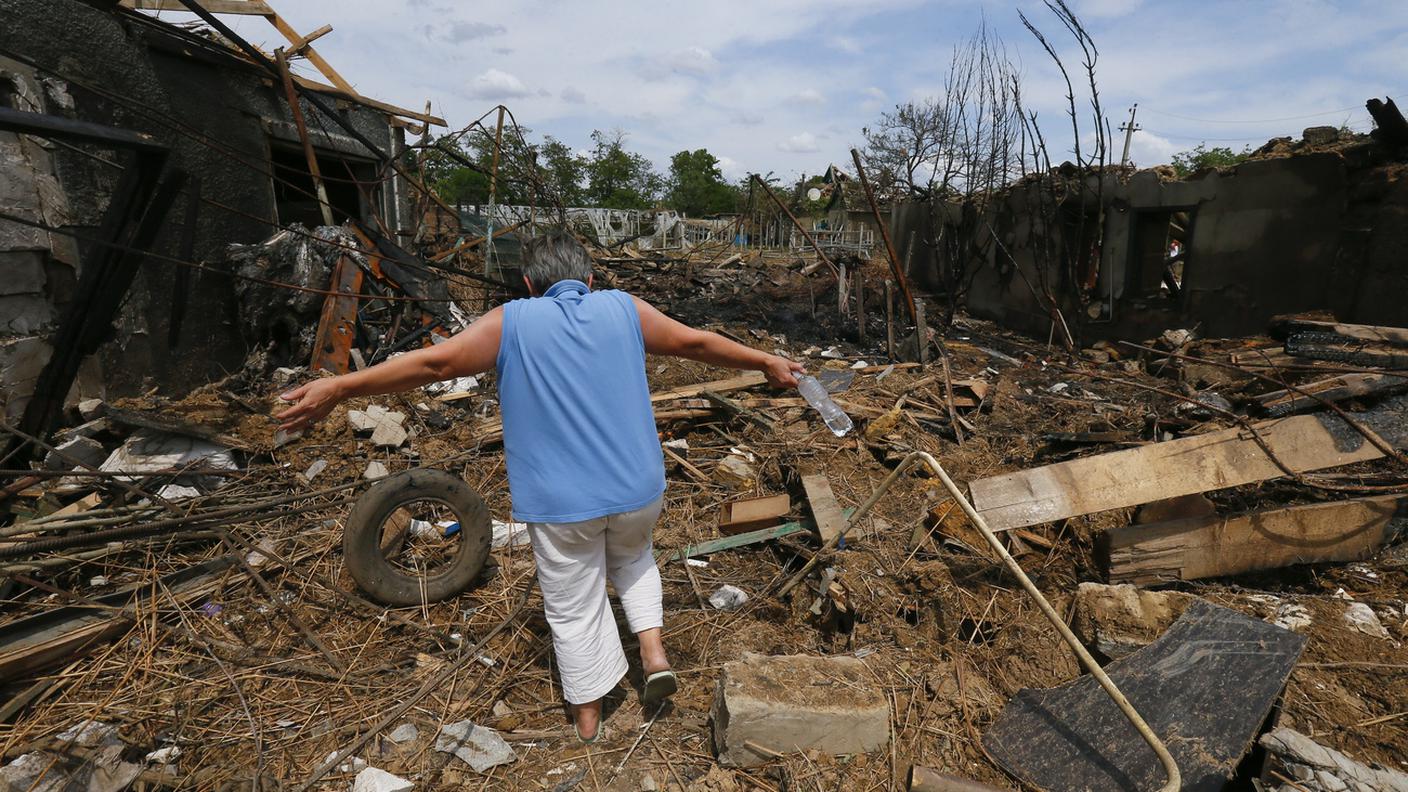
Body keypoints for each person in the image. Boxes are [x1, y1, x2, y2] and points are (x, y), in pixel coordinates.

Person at [276, 230, 802, 742]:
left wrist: (342, 384)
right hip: (639, 486)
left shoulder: (512, 321)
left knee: (573, 601)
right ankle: (653, 651)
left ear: (528, 283)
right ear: (590, 278)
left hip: (561, 501)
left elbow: (435, 363)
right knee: (634, 556)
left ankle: (590, 715)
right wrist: (766, 360)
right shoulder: (625, 308)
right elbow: (695, 342)